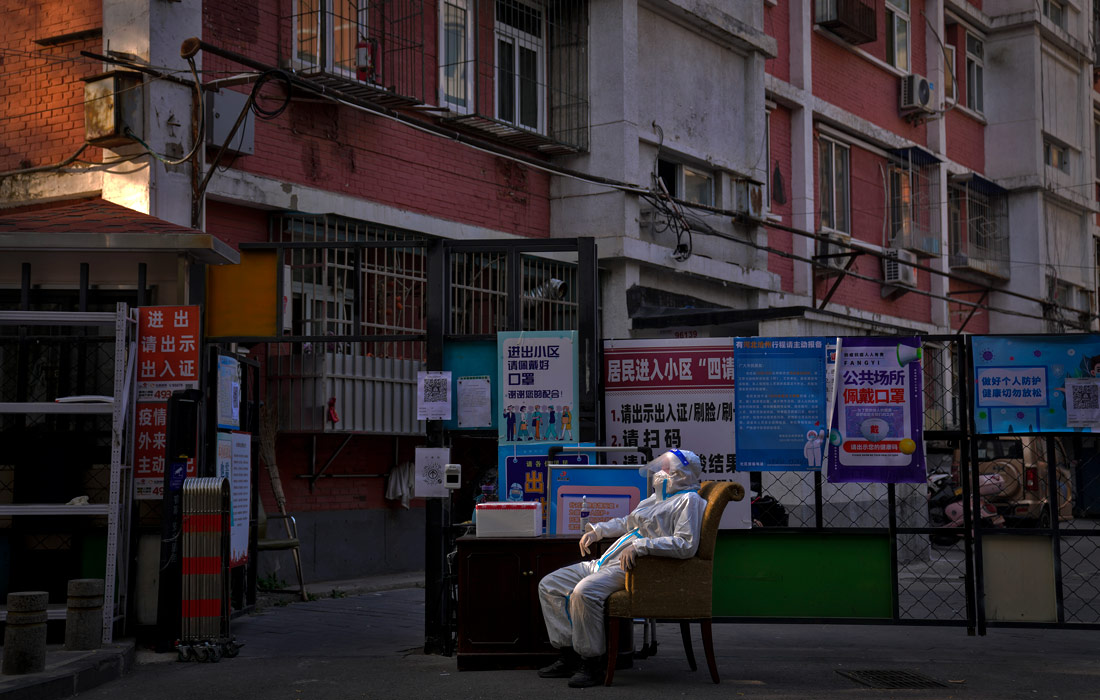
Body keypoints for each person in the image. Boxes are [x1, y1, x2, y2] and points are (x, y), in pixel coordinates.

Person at [536, 449, 707, 688]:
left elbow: (686, 544)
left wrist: (641, 546)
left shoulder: (689, 501)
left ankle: (592, 662)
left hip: (636, 568)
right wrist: (598, 531)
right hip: (607, 560)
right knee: (550, 584)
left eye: (666, 468)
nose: (660, 472)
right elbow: (628, 522)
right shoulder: (656, 499)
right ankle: (569, 655)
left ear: (681, 473)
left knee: (584, 592)